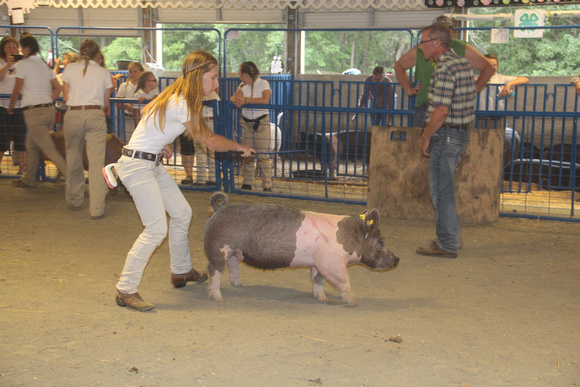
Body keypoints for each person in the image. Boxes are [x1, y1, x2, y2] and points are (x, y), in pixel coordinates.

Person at [111, 50, 255, 312]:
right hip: (137, 166)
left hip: (150, 163)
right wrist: (239, 146)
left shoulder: (175, 98)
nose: (217, 84)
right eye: (213, 77)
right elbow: (208, 140)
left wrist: (161, 142)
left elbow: (146, 110)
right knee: (155, 229)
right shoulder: (182, 103)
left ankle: (181, 271)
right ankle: (126, 289)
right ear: (199, 76)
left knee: (181, 213)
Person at [414, 24, 477, 259]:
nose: (420, 47)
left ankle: (448, 243)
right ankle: (450, 239)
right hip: (460, 133)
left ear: (436, 43)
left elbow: (441, 110)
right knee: (445, 188)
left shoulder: (444, 69)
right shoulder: (461, 63)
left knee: (441, 191)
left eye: (423, 42)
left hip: (446, 134)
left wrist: (426, 135)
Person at [394, 16, 495, 128]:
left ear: (451, 31)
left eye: (446, 30)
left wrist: (473, 90)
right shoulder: (421, 48)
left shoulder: (461, 47)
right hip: (426, 106)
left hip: (452, 109)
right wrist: (408, 89)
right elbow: (399, 66)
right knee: (421, 142)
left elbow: (488, 68)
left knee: (441, 140)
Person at [61, 39, 114, 219]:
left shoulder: (69, 69)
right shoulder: (104, 72)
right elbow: (106, 103)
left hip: (73, 115)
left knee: (73, 157)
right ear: (97, 53)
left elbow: (65, 95)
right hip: (95, 115)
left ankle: (75, 199)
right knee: (96, 163)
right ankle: (97, 208)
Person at [8, 34, 66, 188]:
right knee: (32, 145)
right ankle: (28, 178)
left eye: (21, 48)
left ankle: (73, 178)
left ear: (26, 48)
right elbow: (59, 87)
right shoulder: (44, 65)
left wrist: (11, 105)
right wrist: (49, 100)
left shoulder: (23, 65)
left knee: (49, 149)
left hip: (34, 113)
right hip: (48, 111)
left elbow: (17, 88)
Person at [230, 61, 273, 192]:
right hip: (246, 122)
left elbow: (266, 100)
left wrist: (246, 100)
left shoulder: (264, 83)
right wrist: (235, 99)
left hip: (261, 122)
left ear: (247, 75)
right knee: (247, 153)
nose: (240, 78)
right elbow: (234, 97)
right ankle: (248, 182)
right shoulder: (243, 85)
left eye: (242, 75)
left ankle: (267, 184)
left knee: (263, 154)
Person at [477, 54, 529, 130]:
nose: (492, 67)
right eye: (489, 64)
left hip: (497, 118)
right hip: (478, 117)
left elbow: (524, 79)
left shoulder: (502, 78)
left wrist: (508, 84)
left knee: (496, 140)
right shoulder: (476, 77)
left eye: (494, 65)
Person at [179, 88, 219, 185]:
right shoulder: (212, 92)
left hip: (201, 121)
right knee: (210, 150)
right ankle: (212, 178)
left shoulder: (193, 92)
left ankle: (201, 179)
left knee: (202, 151)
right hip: (209, 120)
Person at [0, 36, 26, 175]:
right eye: (9, 47)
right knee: (2, 137)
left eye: (14, 47)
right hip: (2, 105)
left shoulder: (22, 64)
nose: (12, 50)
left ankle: (22, 168)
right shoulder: (1, 63)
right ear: (3, 49)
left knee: (20, 136)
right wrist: (7, 66)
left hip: (19, 105)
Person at [115, 61, 144, 141]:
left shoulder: (145, 86)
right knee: (128, 140)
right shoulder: (124, 86)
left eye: (135, 71)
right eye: (130, 72)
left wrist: (135, 108)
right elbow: (118, 104)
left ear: (141, 72)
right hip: (128, 118)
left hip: (142, 118)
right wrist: (126, 106)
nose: (132, 74)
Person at [53, 52, 80, 128]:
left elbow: (54, 79)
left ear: (70, 62)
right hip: (70, 108)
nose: (63, 61)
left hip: (64, 108)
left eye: (65, 59)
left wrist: (57, 65)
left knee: (61, 132)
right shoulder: (79, 74)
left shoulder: (65, 75)